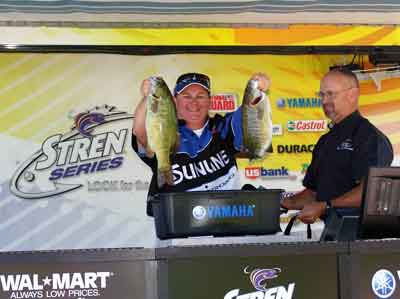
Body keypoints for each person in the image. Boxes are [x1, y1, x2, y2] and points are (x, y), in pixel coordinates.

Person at [132, 72, 270, 216]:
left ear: (209, 101)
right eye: (186, 96)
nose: (194, 103)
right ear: (174, 100)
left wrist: (257, 88)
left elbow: (250, 112)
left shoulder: (222, 127)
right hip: (180, 228)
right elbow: (140, 131)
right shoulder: (165, 131)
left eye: (200, 96)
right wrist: (147, 97)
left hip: (228, 223)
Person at [281, 68, 393, 224]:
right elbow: (314, 193)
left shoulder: (369, 137)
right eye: (322, 95)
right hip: (333, 232)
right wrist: (281, 202)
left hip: (361, 237)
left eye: (330, 94)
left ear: (352, 95)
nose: (324, 100)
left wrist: (325, 206)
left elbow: (370, 191)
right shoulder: (325, 141)